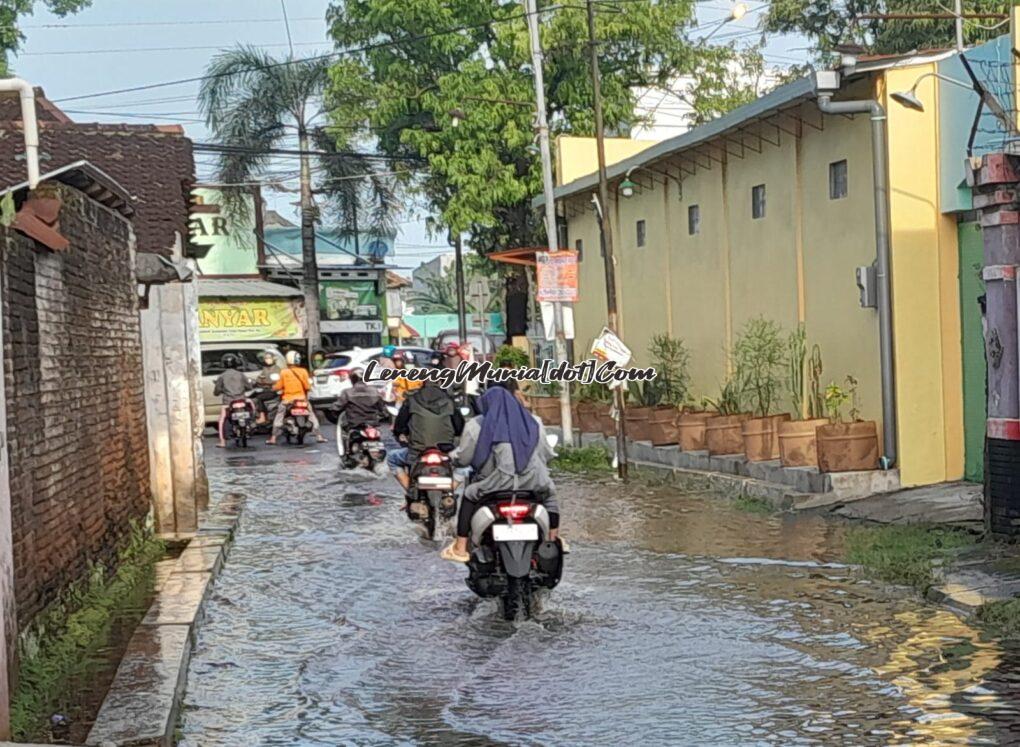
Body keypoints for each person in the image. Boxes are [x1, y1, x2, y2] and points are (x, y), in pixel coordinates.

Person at [441, 386, 558, 563]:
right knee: (550, 496)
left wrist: (455, 460)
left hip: (494, 486)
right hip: (533, 484)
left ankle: (460, 547)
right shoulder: (534, 423)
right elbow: (546, 455)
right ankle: (553, 541)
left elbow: (464, 459)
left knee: (469, 494)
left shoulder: (477, 425)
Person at [388, 381, 464, 490]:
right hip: (445, 451)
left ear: (423, 384)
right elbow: (460, 427)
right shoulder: (449, 401)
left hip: (417, 451)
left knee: (392, 457)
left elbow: (399, 426)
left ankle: (409, 490)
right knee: (465, 465)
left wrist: (402, 434)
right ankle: (451, 490)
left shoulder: (412, 400)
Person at [267, 351, 327, 445]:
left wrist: (272, 387)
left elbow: (278, 386)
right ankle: (319, 436)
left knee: (279, 415)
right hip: (302, 400)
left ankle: (273, 438)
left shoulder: (284, 372)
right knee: (311, 415)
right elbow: (307, 387)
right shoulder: (303, 371)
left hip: (287, 400)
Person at [213, 353, 251, 448]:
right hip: (242, 400)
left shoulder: (222, 376)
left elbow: (217, 391)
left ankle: (222, 441)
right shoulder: (241, 374)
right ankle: (253, 422)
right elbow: (249, 386)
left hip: (228, 402)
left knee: (222, 420)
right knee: (252, 408)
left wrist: (219, 392)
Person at [253, 350, 282, 424]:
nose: (267, 360)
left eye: (269, 358)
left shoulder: (277, 369)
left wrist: (266, 382)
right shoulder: (265, 368)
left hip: (273, 390)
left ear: (273, 359)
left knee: (259, 398)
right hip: (264, 389)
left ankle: (263, 417)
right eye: (266, 358)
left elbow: (276, 380)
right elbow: (259, 379)